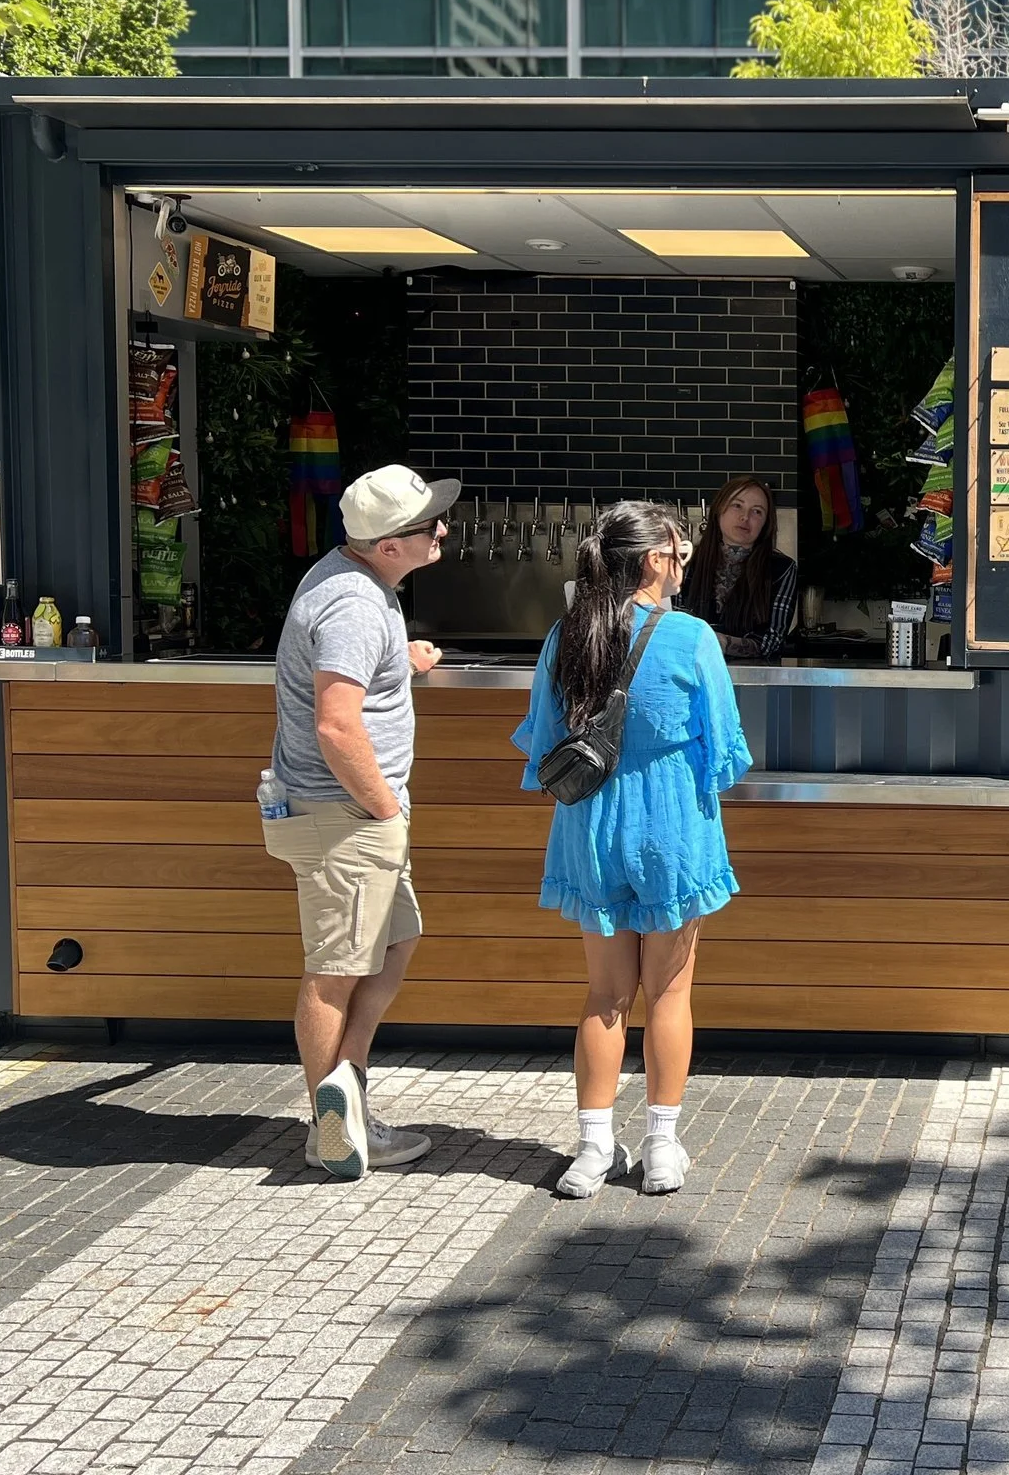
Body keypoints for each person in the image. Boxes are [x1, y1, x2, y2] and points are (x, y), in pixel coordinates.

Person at [512, 500, 752, 1199]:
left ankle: (592, 1149)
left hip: (590, 830)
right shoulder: (690, 637)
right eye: (678, 554)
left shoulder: (567, 636)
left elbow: (541, 745)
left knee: (604, 993)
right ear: (653, 560)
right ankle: (662, 1149)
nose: (683, 566)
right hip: (672, 830)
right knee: (669, 991)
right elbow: (725, 753)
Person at [265, 463, 454, 1180]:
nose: (440, 528)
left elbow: (346, 676)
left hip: (353, 815)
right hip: (344, 816)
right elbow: (337, 726)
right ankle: (328, 1129)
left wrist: (396, 663)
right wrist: (381, 808)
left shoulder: (359, 586)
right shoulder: (353, 603)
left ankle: (346, 1090)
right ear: (387, 545)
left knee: (395, 942)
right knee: (334, 972)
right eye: (426, 524)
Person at [678, 474, 799, 662]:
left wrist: (723, 642)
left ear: (766, 524)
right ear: (719, 509)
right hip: (690, 672)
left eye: (757, 511)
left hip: (754, 680)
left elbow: (771, 641)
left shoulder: (782, 568)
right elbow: (673, 622)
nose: (745, 517)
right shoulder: (686, 560)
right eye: (737, 505)